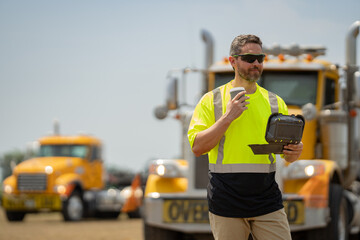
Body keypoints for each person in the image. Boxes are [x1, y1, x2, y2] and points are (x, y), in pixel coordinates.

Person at [187, 34, 303, 240]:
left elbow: (288, 156)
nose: (256, 63)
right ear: (233, 61)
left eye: (260, 58)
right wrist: (227, 118)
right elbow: (197, 147)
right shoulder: (210, 101)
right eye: (250, 59)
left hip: (267, 200)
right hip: (226, 201)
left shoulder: (276, 102)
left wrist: (294, 152)